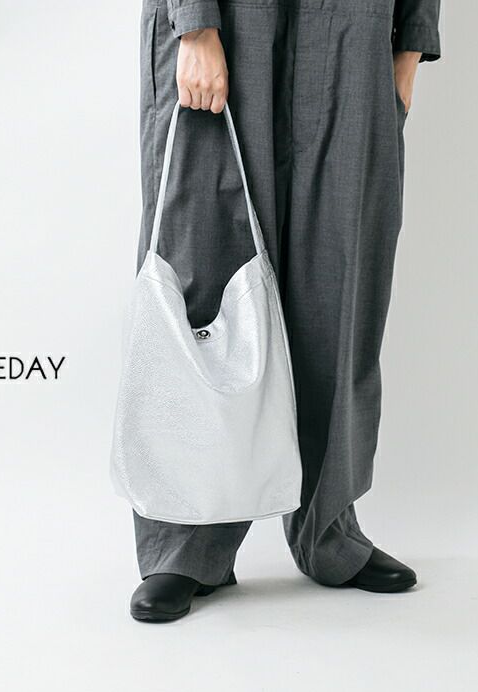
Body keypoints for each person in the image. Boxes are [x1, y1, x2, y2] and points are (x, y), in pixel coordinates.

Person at [129, 0, 441, 622]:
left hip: (355, 26)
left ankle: (330, 530)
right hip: (224, 22)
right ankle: (185, 541)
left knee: (341, 279)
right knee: (203, 269)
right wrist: (194, 25)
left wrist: (411, 42)